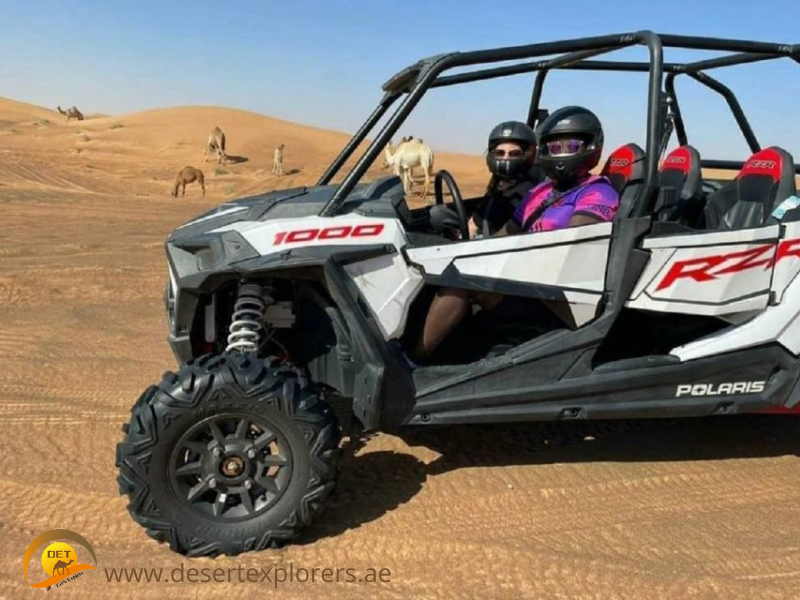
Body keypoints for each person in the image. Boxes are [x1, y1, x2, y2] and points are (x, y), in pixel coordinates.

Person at [410, 106, 619, 363]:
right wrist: (468, 252)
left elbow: (573, 245)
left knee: (459, 282)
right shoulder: (542, 190)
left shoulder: (597, 192)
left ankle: (413, 362)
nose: (561, 154)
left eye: (571, 146)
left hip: (555, 294)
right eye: (554, 148)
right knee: (442, 271)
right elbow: (507, 233)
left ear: (590, 147)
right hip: (525, 278)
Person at [470, 121, 539, 237]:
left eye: (514, 154)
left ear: (527, 155)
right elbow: (473, 223)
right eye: (500, 153)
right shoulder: (498, 187)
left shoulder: (526, 194)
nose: (505, 159)